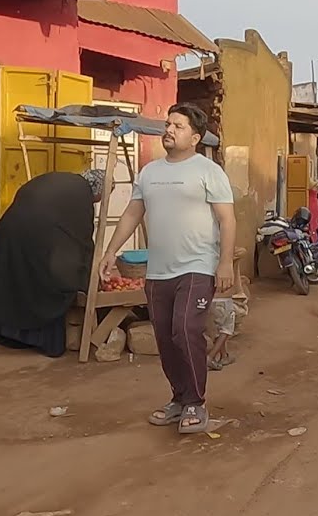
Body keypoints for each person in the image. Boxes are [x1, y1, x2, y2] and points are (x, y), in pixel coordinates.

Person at [99, 102, 236, 435]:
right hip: (158, 270)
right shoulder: (150, 172)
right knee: (164, 337)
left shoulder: (208, 171)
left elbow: (226, 218)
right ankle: (178, 399)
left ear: (195, 136)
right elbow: (132, 213)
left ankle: (196, 403)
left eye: (178, 126)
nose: (170, 130)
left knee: (184, 329)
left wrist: (225, 262)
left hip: (197, 265)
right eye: (169, 124)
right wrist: (110, 251)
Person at [0, 169, 105, 358]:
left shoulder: (55, 178)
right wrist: (88, 272)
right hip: (39, 240)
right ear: (98, 189)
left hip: (6, 232)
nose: (99, 200)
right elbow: (82, 238)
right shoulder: (82, 193)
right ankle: (43, 340)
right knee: (49, 278)